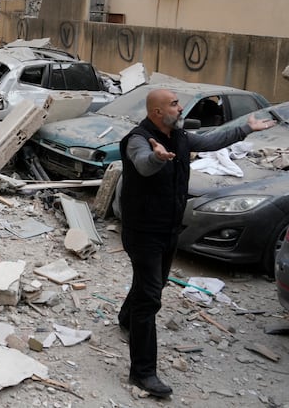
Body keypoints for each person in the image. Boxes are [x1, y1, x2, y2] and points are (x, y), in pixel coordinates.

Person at [117, 88, 275, 398]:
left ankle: (126, 319)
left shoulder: (180, 137)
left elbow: (212, 141)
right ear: (157, 112)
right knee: (150, 297)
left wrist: (245, 128)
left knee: (154, 284)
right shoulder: (137, 139)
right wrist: (156, 158)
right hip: (143, 232)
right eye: (174, 105)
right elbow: (141, 162)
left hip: (168, 229)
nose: (180, 109)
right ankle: (143, 372)